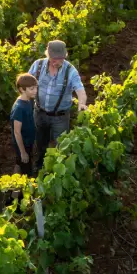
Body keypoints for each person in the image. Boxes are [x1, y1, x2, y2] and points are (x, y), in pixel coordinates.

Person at [29, 39, 87, 173]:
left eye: (60, 59)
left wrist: (82, 103)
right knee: (40, 143)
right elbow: (27, 82)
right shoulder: (37, 65)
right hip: (39, 113)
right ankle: (38, 168)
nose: (57, 62)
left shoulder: (70, 71)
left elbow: (80, 90)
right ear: (48, 56)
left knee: (61, 147)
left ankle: (57, 173)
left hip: (60, 117)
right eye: (54, 59)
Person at [10, 73, 38, 176]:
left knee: (28, 161)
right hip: (23, 144)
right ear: (22, 89)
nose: (35, 91)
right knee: (25, 166)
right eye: (31, 89)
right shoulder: (18, 108)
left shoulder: (29, 100)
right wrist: (22, 152)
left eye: (36, 88)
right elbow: (17, 132)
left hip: (28, 141)